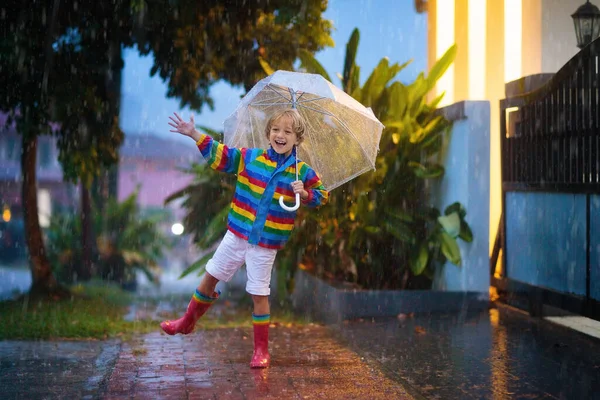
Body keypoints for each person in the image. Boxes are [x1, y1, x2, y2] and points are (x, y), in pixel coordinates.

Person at [161, 109, 329, 368]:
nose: (280, 135)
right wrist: (194, 134)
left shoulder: (301, 172)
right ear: (268, 133)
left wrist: (305, 194)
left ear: (297, 138)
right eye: (275, 129)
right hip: (237, 234)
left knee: (259, 294)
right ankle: (187, 321)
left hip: (265, 243)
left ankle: (261, 350)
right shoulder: (252, 158)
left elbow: (322, 194)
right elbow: (223, 157)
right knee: (210, 277)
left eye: (287, 131)